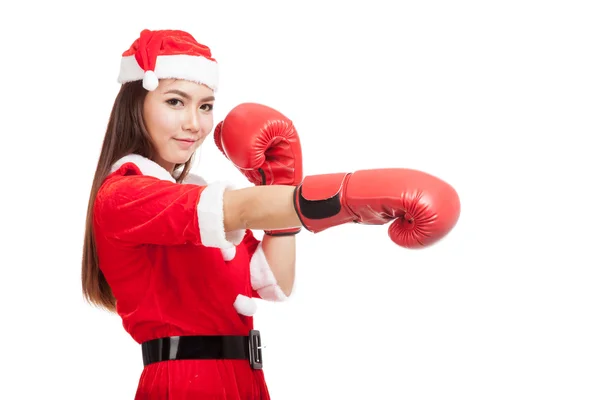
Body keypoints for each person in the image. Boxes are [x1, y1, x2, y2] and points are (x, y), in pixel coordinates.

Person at [81, 29, 461, 400]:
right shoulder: (124, 194)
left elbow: (276, 282)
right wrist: (347, 196)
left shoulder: (195, 198)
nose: (194, 124)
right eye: (175, 102)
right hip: (184, 383)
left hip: (245, 379)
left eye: (206, 105)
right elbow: (242, 208)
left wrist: (281, 188)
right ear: (137, 103)